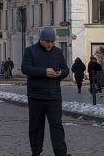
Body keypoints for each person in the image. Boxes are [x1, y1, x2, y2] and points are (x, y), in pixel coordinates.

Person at [21, 26, 70, 156]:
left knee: (57, 126)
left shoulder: (58, 52)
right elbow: (25, 68)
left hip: (54, 97)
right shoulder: (30, 51)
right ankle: (36, 152)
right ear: (41, 39)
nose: (50, 44)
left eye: (52, 42)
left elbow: (66, 70)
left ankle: (61, 153)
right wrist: (44, 72)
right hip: (36, 96)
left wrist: (60, 73)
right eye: (47, 41)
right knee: (36, 126)